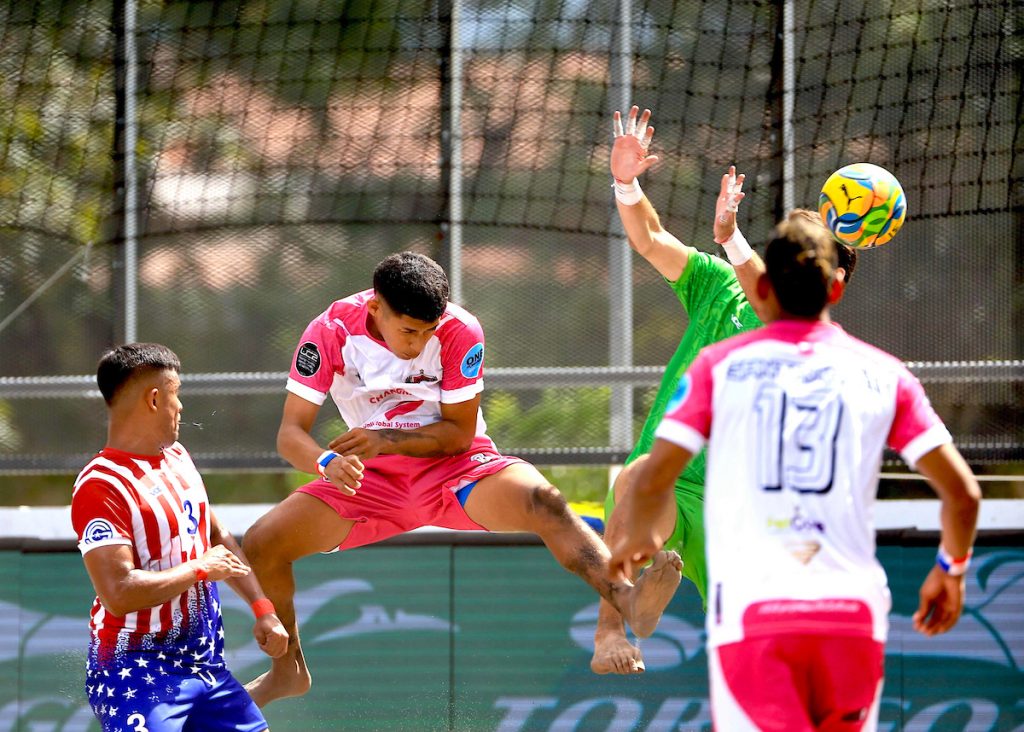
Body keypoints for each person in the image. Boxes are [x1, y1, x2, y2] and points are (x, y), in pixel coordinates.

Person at [241, 251, 682, 706]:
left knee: (545, 501)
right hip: (369, 479)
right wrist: (325, 463)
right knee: (262, 542)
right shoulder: (330, 330)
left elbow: (457, 435)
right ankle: (288, 671)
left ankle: (627, 600)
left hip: (455, 466)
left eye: (428, 331)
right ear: (375, 307)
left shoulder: (460, 329)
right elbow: (290, 434)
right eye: (408, 331)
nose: (418, 345)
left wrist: (385, 438)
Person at [609, 216, 981, 730]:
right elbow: (963, 495)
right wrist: (951, 570)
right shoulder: (884, 374)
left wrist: (634, 545)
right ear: (836, 288)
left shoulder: (719, 367)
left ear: (764, 287)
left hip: (754, 608)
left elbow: (653, 478)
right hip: (848, 612)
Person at [592, 105, 861, 674]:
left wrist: (732, 240)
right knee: (636, 477)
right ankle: (614, 628)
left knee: (763, 663)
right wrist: (625, 183)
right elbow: (651, 238)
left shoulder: (812, 342)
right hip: (666, 480)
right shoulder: (718, 286)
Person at [71, 343, 289, 732]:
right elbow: (118, 593)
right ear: (154, 399)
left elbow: (216, 534)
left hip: (205, 665)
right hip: (134, 672)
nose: (181, 406)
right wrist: (198, 569)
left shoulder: (178, 457)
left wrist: (262, 608)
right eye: (177, 394)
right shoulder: (100, 485)